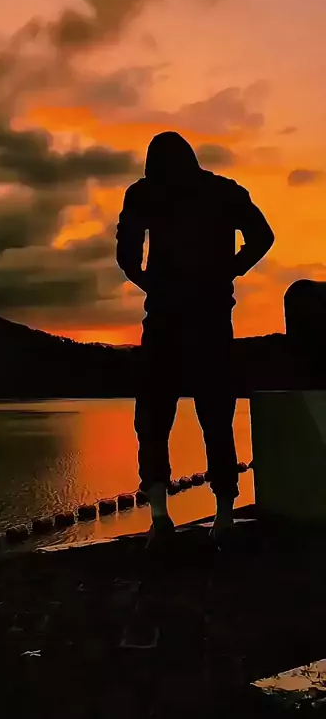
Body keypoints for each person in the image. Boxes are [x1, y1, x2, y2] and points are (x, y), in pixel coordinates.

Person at [116, 132, 275, 547]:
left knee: (154, 418)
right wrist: (230, 270)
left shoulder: (144, 193)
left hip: (167, 317)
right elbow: (263, 237)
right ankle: (223, 516)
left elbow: (126, 256)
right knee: (216, 416)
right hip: (210, 317)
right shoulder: (224, 191)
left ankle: (160, 517)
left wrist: (151, 283)